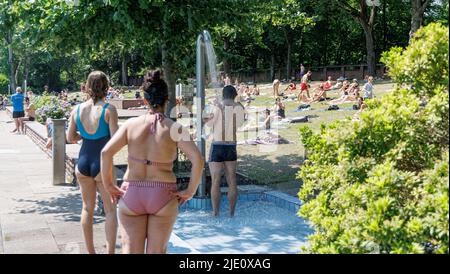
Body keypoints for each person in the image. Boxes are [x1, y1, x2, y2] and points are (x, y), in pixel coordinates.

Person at [101, 69, 204, 254]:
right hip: (163, 195)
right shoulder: (175, 128)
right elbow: (198, 159)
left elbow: (106, 153)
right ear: (167, 99)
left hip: (132, 192)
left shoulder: (131, 124)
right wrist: (190, 191)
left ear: (145, 100)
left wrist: (109, 185)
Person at [66, 71, 119, 254]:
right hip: (102, 163)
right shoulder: (109, 109)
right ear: (106, 87)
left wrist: (85, 136)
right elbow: (114, 141)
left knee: (87, 208)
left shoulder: (77, 110)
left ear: (87, 87)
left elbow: (70, 137)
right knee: (110, 210)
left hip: (83, 161)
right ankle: (110, 252)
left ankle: (91, 252)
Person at [204, 85, 245, 217]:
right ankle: (231, 213)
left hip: (217, 145)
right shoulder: (239, 107)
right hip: (231, 146)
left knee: (216, 180)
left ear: (223, 94)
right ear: (234, 95)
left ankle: (215, 213)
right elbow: (239, 124)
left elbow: (208, 123)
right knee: (232, 180)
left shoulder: (217, 106)